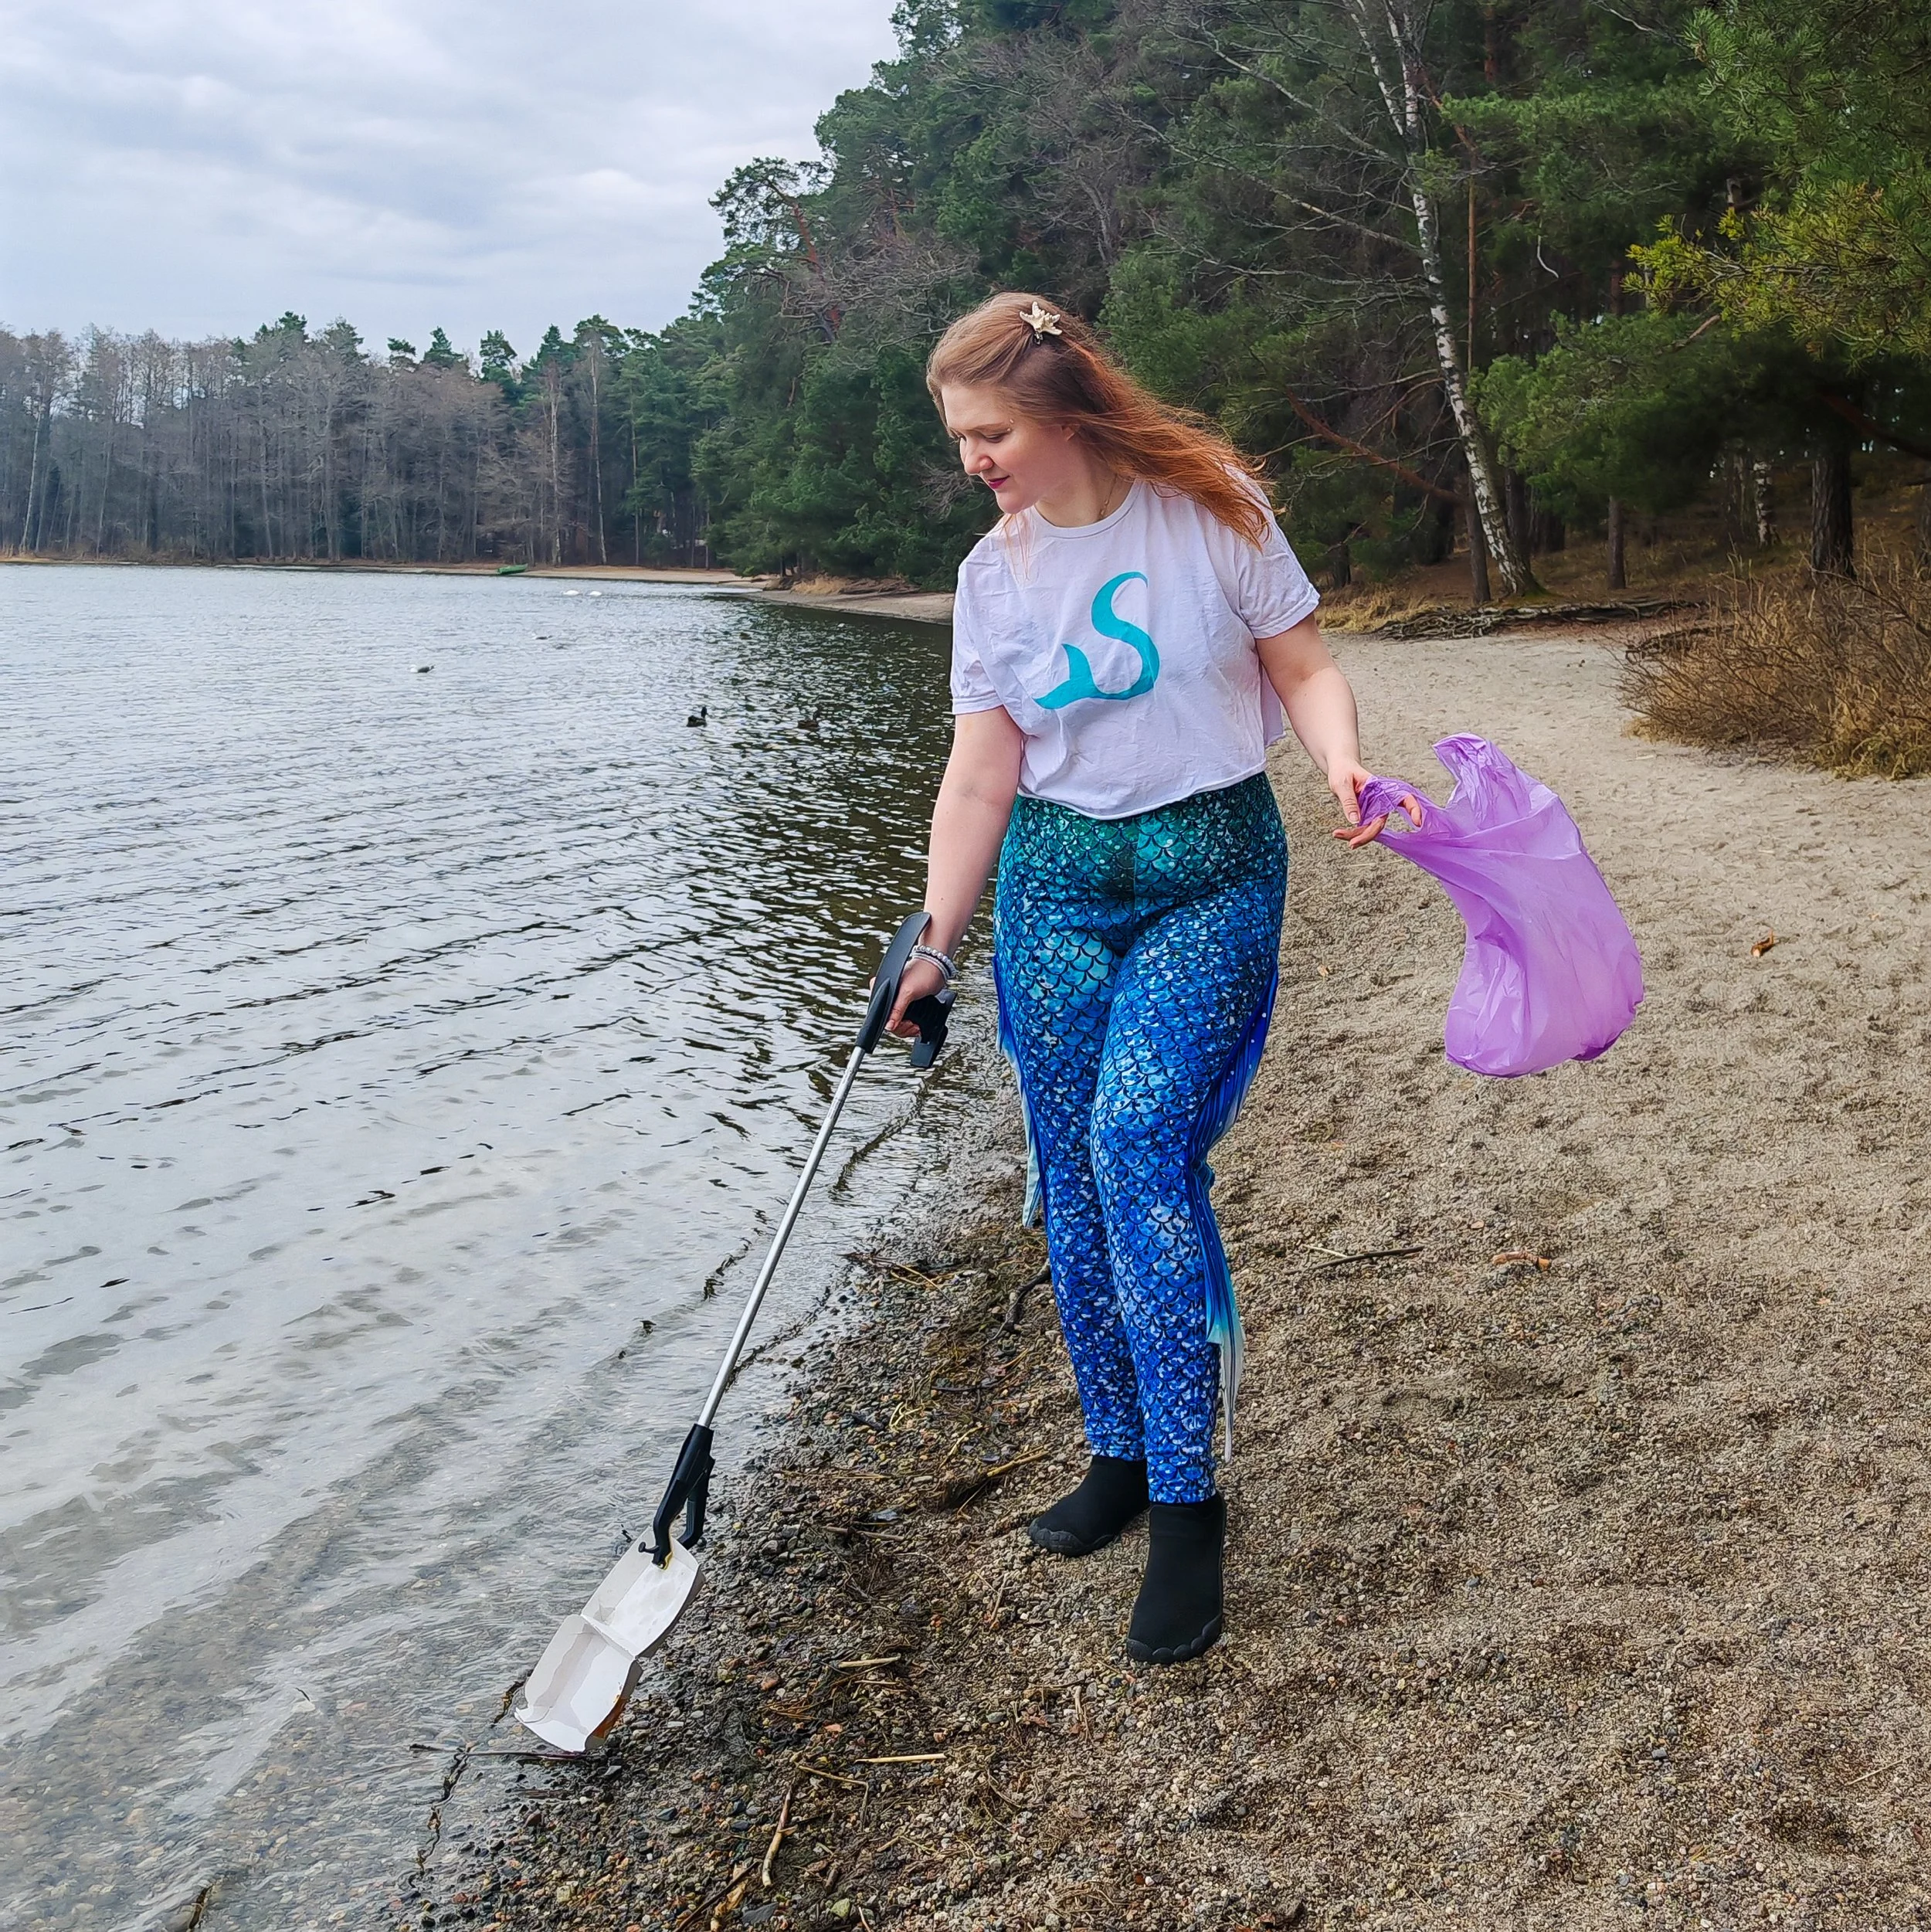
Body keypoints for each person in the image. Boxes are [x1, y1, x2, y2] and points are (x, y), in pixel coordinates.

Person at [887, 293, 1412, 1665]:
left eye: (989, 431)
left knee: (1137, 1147)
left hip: (1211, 870)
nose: (975, 460)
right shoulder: (991, 577)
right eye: (959, 439)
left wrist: (1345, 766)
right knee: (1066, 1172)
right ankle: (1115, 1452)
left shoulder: (1212, 510)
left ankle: (1189, 1508)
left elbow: (1303, 666)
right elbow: (982, 768)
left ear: (1060, 411)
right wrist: (935, 941)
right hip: (1056, 889)